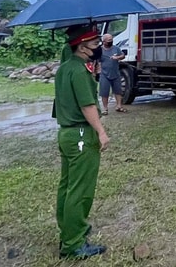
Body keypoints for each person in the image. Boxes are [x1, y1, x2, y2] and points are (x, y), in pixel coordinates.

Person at [54, 25, 110, 259]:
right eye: (95, 44)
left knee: (68, 186)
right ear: (82, 47)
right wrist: (101, 132)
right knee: (80, 190)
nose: (98, 47)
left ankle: (69, 231)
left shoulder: (65, 68)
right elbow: (87, 105)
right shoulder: (78, 71)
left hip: (67, 134)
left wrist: (93, 75)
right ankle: (74, 244)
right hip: (80, 135)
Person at [98, 34, 127, 115]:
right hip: (104, 74)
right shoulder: (100, 50)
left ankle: (119, 106)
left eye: (111, 40)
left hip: (116, 73)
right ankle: (105, 108)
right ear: (103, 41)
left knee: (118, 90)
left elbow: (123, 55)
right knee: (104, 92)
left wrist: (117, 57)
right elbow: (96, 60)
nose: (110, 42)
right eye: (108, 41)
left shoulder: (116, 48)